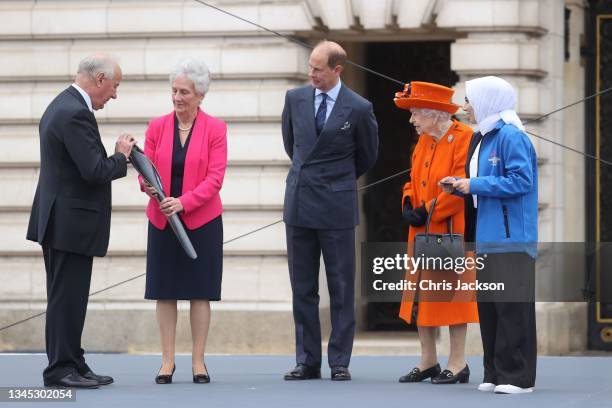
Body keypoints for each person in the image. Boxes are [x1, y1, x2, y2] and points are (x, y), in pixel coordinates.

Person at [26, 54, 135, 388]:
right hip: (68, 224)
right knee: (66, 299)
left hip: (63, 222)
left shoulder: (66, 104)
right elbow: (95, 170)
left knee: (70, 298)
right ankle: (60, 370)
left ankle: (73, 361)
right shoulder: (74, 112)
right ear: (100, 80)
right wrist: (121, 156)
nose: (115, 95)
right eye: (114, 86)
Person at [281, 40, 379, 381]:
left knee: (340, 286)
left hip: (336, 206)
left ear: (337, 70)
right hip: (300, 203)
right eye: (310, 67)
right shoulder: (294, 99)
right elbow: (290, 144)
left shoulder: (359, 107)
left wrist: (336, 181)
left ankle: (340, 360)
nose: (311, 74)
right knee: (302, 287)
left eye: (318, 69)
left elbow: (367, 156)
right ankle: (307, 359)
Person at [441, 75, 538, 394]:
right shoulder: (482, 138)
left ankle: (518, 377)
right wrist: (460, 185)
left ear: (487, 101)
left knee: (512, 308)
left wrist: (474, 185)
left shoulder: (512, 137)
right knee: (491, 308)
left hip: (512, 238)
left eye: (469, 100)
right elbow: (482, 185)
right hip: (487, 237)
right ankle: (495, 372)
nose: (464, 107)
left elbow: (521, 182)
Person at [140, 57, 227, 385]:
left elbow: (215, 178)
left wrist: (184, 202)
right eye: (174, 91)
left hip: (202, 221)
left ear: (200, 95)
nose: (177, 97)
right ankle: (166, 361)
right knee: (164, 291)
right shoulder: (156, 126)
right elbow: (145, 169)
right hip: (162, 220)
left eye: (184, 92)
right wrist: (149, 188)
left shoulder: (216, 129)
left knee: (200, 291)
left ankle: (198, 361)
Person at [394, 82, 479, 385]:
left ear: (435, 114)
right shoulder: (424, 140)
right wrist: (407, 201)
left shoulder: (464, 138)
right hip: (421, 230)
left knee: (454, 298)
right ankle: (428, 360)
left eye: (416, 113)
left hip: (450, 230)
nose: (412, 120)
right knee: (421, 296)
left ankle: (458, 363)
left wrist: (427, 209)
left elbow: (460, 187)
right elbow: (412, 180)